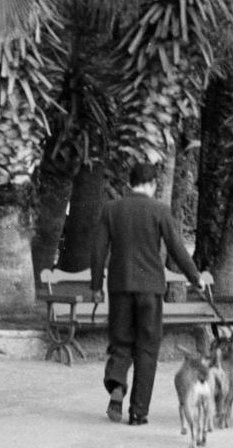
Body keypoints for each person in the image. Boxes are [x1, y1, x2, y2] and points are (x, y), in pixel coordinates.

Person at [89, 162, 212, 427]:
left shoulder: (111, 209)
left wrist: (96, 286)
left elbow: (98, 251)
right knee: (147, 348)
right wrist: (196, 278)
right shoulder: (160, 210)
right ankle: (138, 412)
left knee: (121, 341)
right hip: (150, 291)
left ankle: (117, 385)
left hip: (120, 288)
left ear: (129, 182)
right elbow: (177, 249)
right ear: (153, 184)